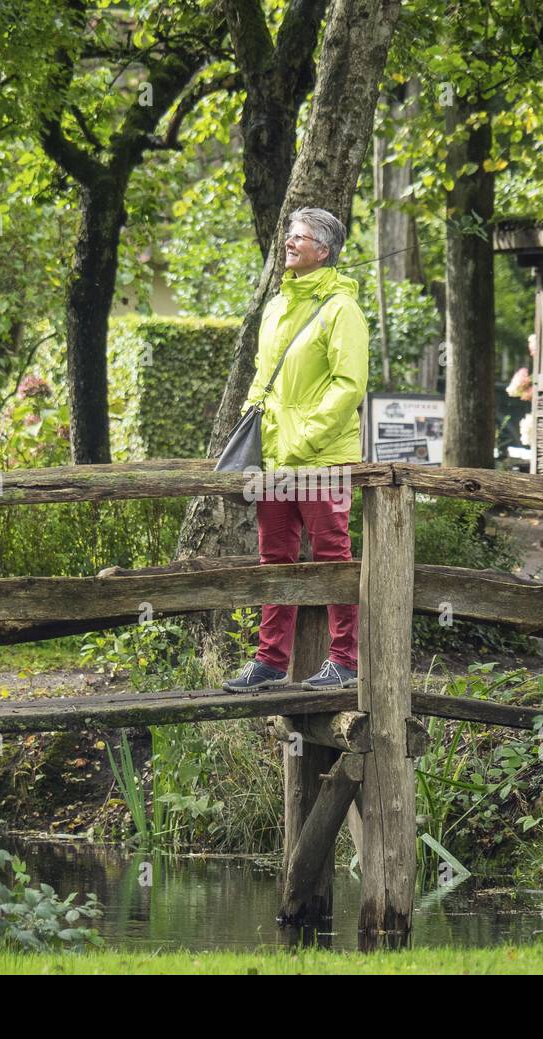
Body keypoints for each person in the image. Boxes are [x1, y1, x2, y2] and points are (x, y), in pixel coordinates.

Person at [223, 207, 369, 693]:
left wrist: (303, 439)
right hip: (274, 458)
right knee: (274, 558)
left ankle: (345, 661)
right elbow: (262, 379)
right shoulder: (277, 305)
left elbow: (349, 385)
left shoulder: (342, 309)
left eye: (299, 237)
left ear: (323, 250)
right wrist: (255, 424)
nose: (289, 242)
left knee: (332, 557)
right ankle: (269, 662)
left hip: (322, 457)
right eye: (289, 234)